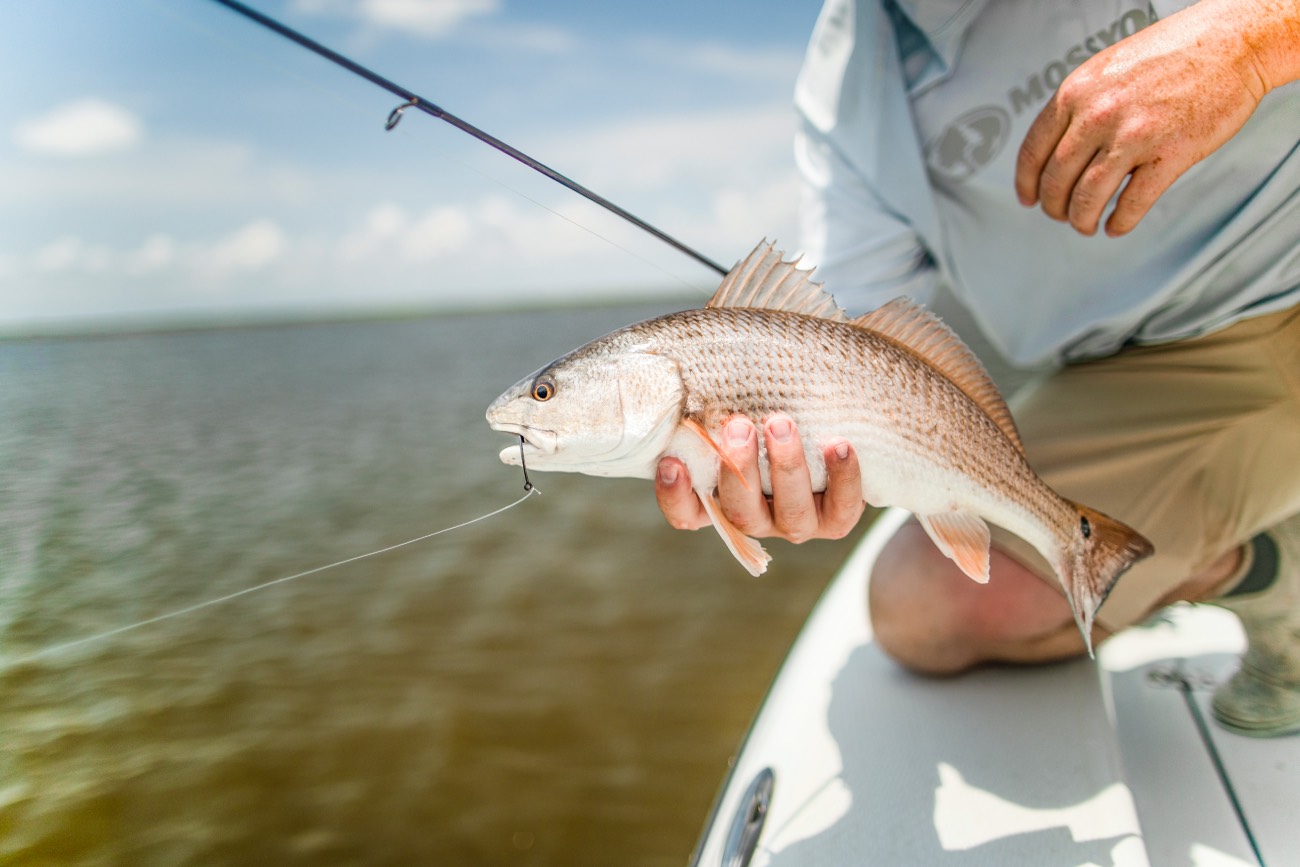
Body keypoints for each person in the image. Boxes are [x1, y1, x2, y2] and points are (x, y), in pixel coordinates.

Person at [655, 0, 1300, 736]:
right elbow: (839, 331)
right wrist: (794, 459)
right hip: (1120, 368)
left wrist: (1256, 40)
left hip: (1287, 294)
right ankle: (1255, 556)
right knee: (921, 610)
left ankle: (1285, 585)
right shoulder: (846, 81)